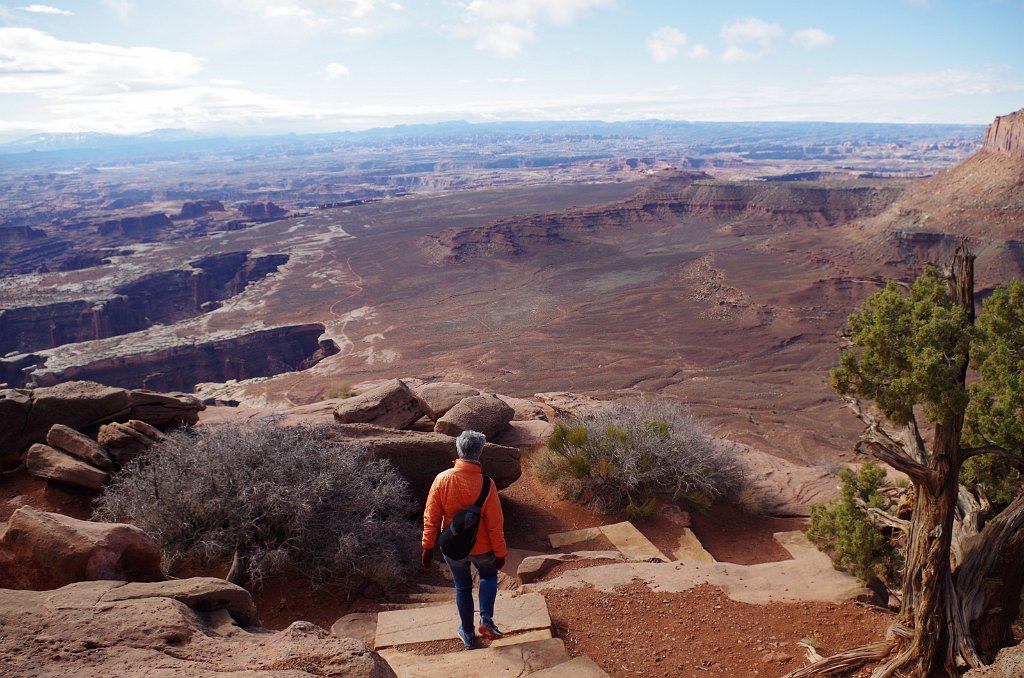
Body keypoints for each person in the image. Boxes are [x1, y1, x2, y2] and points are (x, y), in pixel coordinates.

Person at [421, 429, 507, 649]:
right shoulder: (487, 484)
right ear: (479, 453)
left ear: (458, 451)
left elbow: (432, 516)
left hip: (453, 547)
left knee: (462, 586)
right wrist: (500, 552)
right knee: (488, 575)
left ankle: (468, 634)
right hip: (483, 547)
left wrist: (427, 546)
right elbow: (495, 523)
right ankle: (486, 619)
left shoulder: (442, 479)